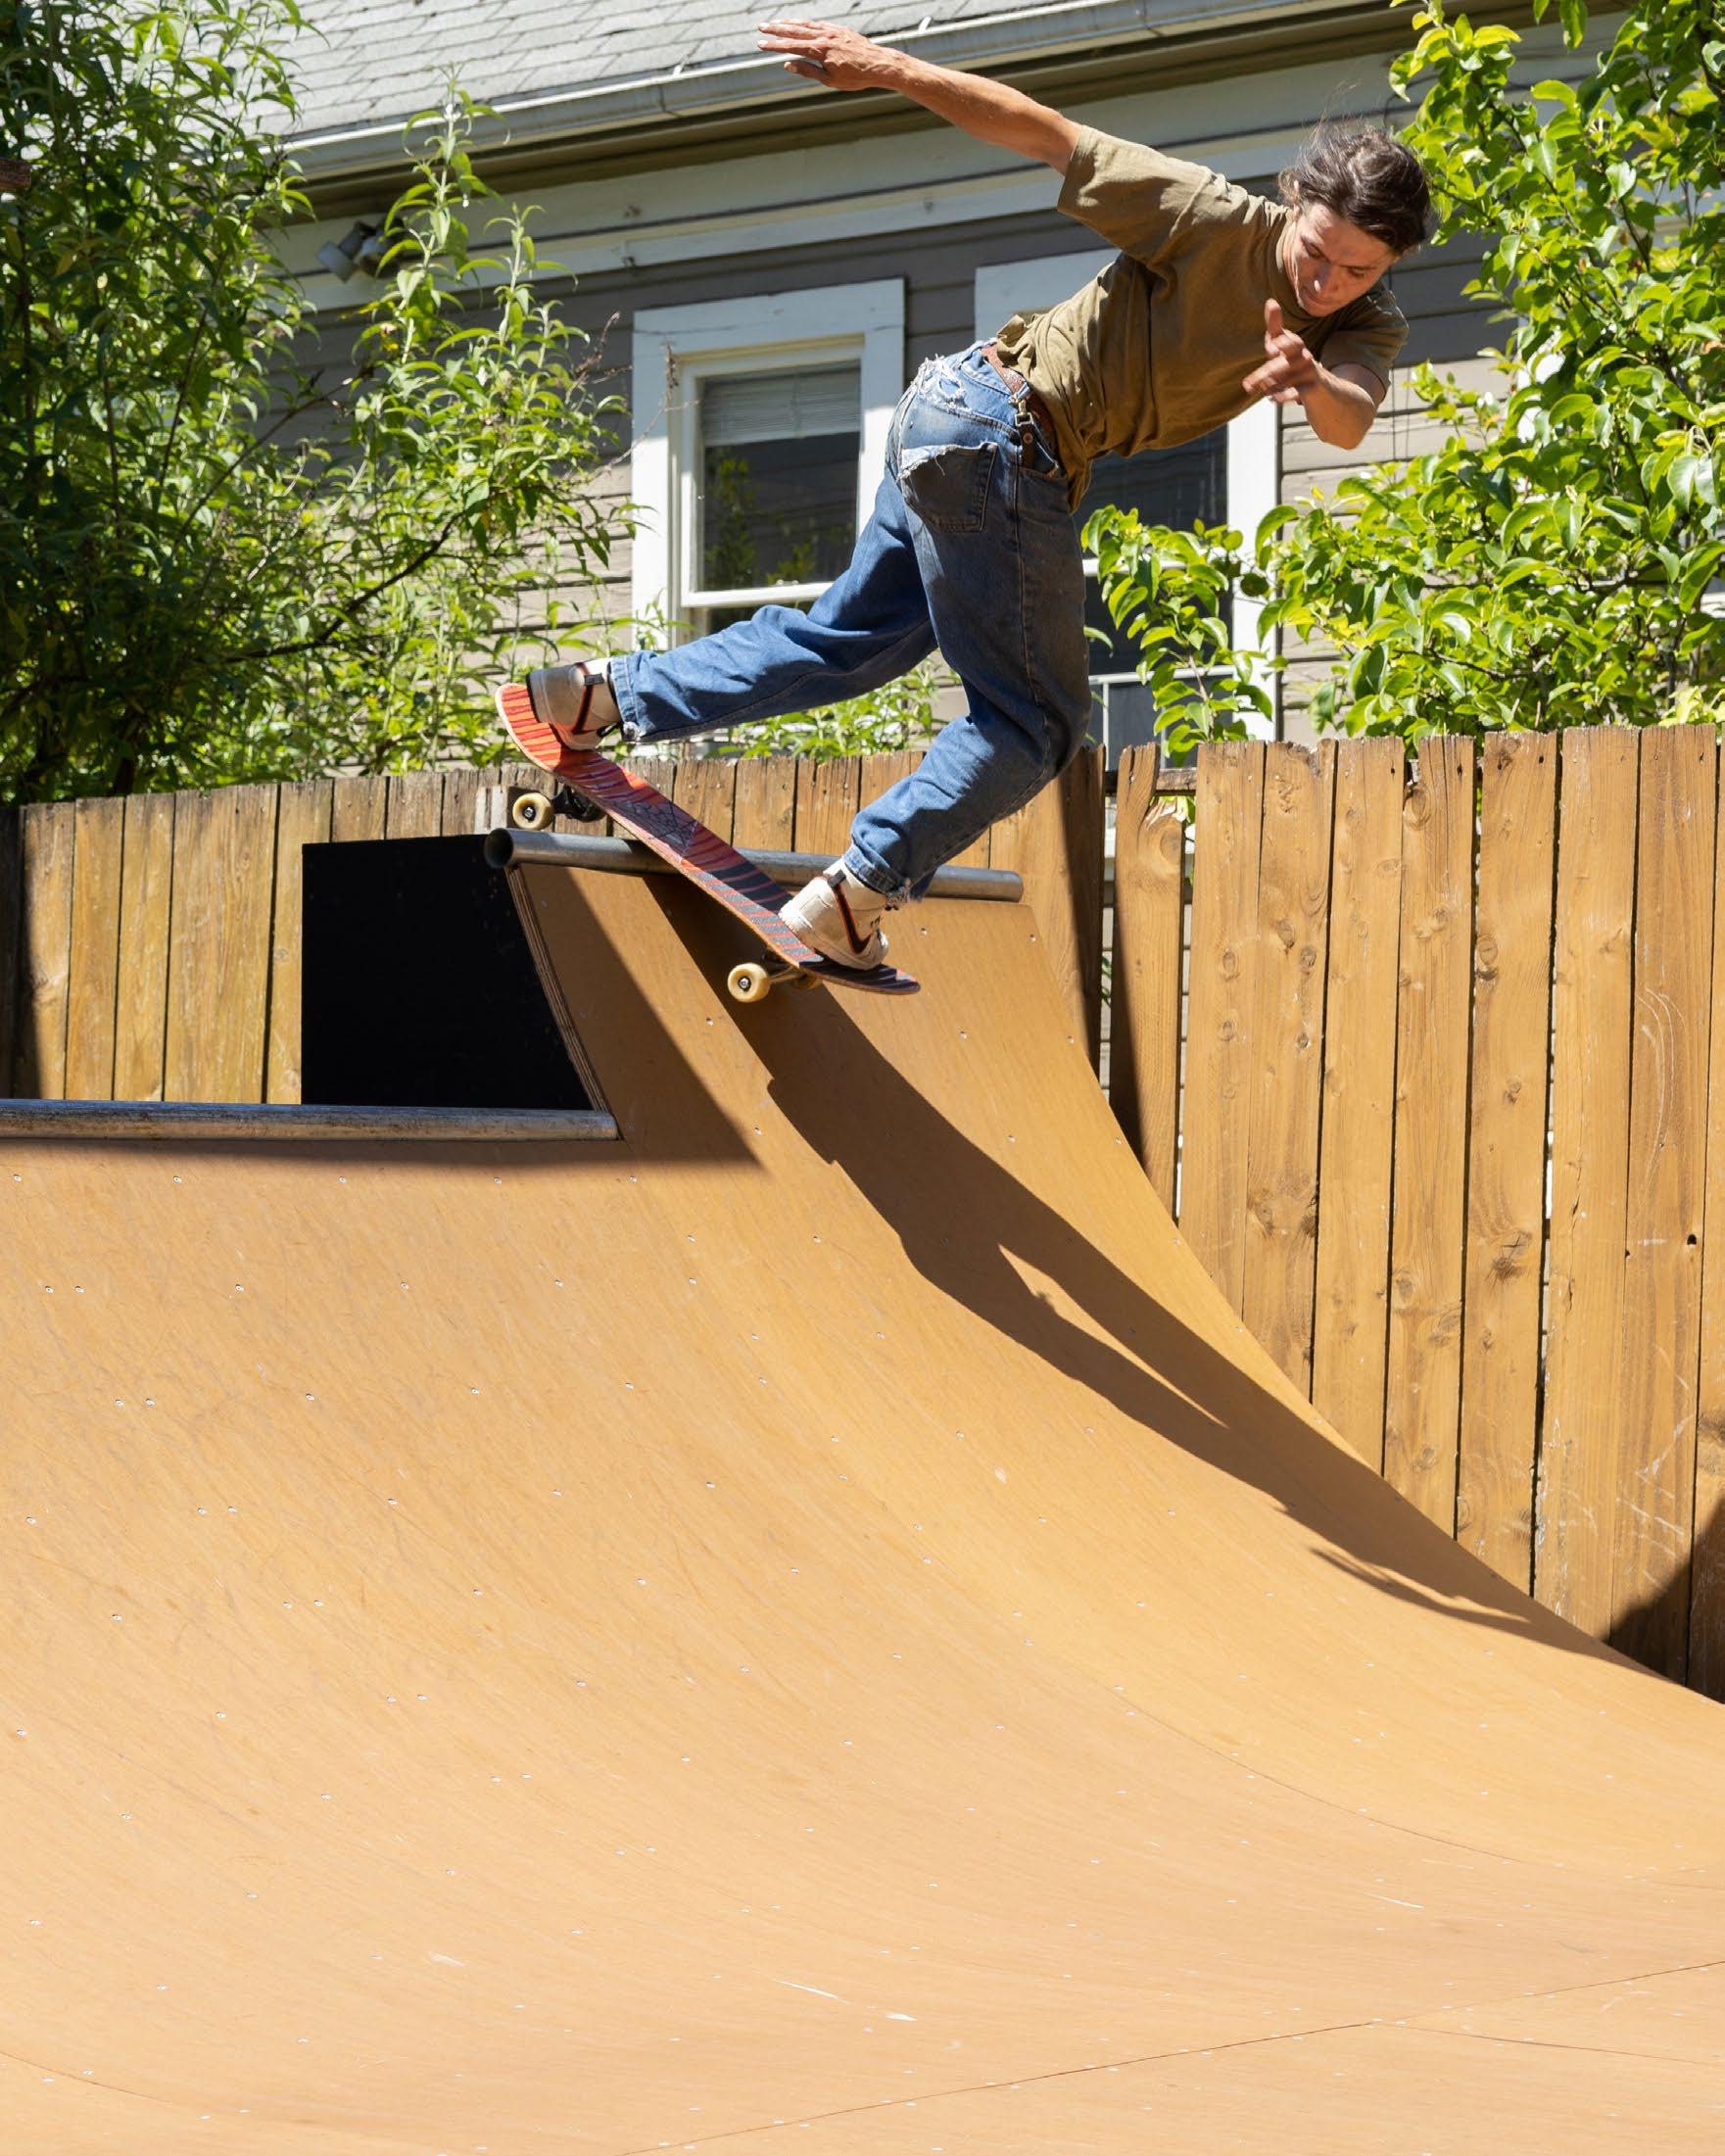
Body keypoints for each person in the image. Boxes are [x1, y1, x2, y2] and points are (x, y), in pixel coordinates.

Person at [497, 19, 1432, 971]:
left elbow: (1350, 415)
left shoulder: (1365, 323)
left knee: (849, 643)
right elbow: (1045, 134)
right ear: (1293, 201)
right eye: (1315, 251)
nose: (1325, 282)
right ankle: (855, 894)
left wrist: (1312, 380)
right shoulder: (1210, 218)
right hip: (1000, 432)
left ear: (1390, 264)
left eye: (1356, 269)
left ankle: (592, 695)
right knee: (1036, 723)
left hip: (955, 420)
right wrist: (887, 66)